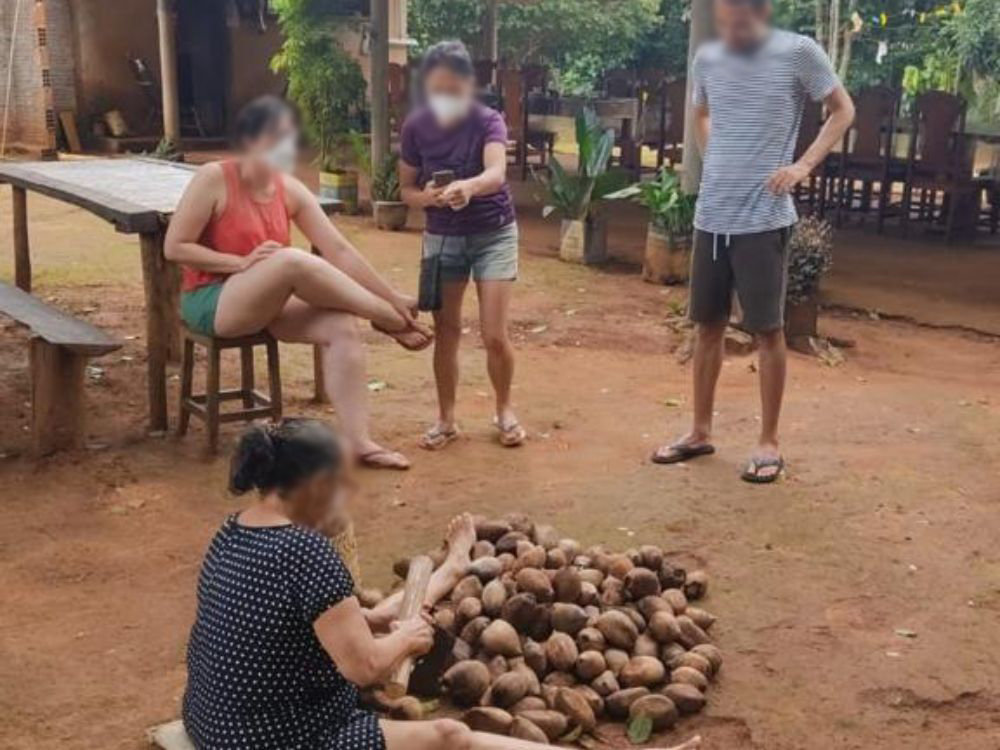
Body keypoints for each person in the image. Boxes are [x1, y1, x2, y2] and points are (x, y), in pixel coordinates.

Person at [183, 418, 702, 750]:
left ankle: (453, 565)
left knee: (392, 625)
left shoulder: (234, 531)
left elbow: (309, 621)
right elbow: (363, 666)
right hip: (274, 739)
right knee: (452, 735)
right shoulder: (307, 550)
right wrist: (407, 640)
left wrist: (390, 615)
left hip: (214, 722)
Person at [165, 96, 431, 470]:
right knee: (289, 261)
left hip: (267, 303)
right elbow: (174, 247)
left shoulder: (288, 189)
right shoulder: (213, 178)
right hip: (214, 300)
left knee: (341, 326)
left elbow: (338, 248)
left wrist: (392, 293)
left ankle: (359, 442)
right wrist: (239, 263)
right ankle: (386, 317)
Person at [652, 0, 854, 483]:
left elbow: (843, 110)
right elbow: (700, 112)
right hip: (712, 216)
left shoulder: (797, 51)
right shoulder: (709, 58)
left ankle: (769, 443)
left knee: (766, 330)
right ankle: (699, 431)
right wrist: (715, 153)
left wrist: (803, 165)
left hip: (763, 219)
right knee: (706, 327)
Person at [399, 40, 526, 450]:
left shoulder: (488, 120)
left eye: (454, 88)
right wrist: (430, 198)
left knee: (494, 334)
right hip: (442, 236)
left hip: (494, 232)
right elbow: (406, 190)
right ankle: (446, 419)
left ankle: (504, 410)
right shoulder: (416, 127)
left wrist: (468, 188)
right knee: (447, 330)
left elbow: (496, 173)